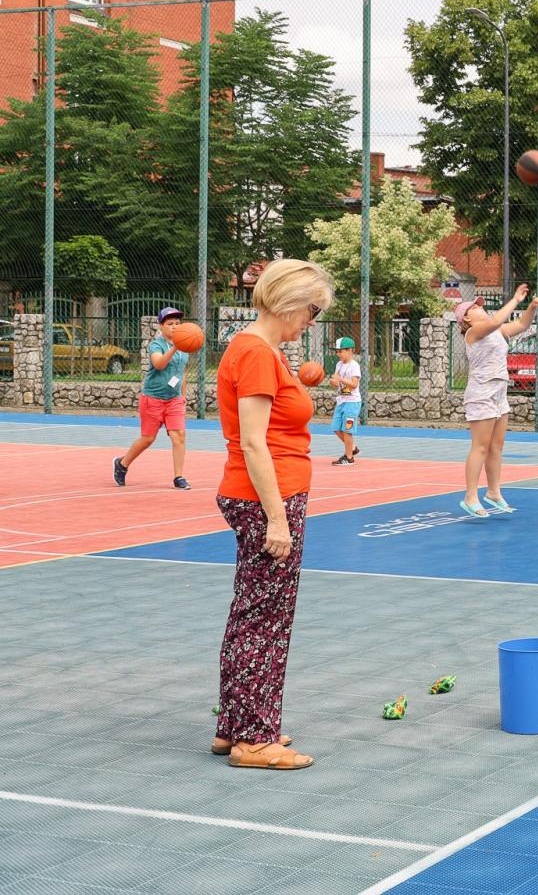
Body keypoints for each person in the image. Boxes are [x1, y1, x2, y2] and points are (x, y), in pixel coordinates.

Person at [211, 259, 331, 771]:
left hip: (261, 494)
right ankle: (253, 740)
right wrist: (278, 520)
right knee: (267, 619)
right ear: (289, 302)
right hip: (268, 497)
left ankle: (237, 725)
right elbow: (255, 443)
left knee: (250, 612)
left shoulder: (256, 348)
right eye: (312, 309)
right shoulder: (258, 353)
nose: (312, 319)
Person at [457, 285, 538, 517]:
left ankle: (493, 492)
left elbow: (521, 325)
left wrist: (531, 308)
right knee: (481, 446)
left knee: (497, 446)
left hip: (498, 391)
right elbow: (495, 321)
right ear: (466, 318)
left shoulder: (495, 331)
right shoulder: (473, 333)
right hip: (481, 392)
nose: (480, 307)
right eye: (475, 307)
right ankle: (470, 496)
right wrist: (515, 299)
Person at [114, 306, 192, 490]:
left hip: (173, 399)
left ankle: (179, 476)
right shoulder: (157, 345)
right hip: (153, 398)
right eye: (170, 324)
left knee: (178, 435)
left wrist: (183, 395)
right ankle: (122, 464)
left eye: (177, 323)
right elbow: (158, 364)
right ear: (161, 326)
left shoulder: (185, 348)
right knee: (148, 439)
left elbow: (182, 373)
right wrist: (175, 347)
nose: (174, 327)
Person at [329, 336, 362, 465]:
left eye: (340, 351)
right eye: (337, 351)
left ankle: (349, 458)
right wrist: (333, 382)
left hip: (352, 403)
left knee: (347, 430)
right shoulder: (339, 365)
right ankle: (352, 448)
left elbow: (354, 384)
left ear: (350, 351)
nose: (338, 354)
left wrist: (341, 379)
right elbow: (337, 384)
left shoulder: (354, 366)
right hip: (341, 401)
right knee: (336, 428)